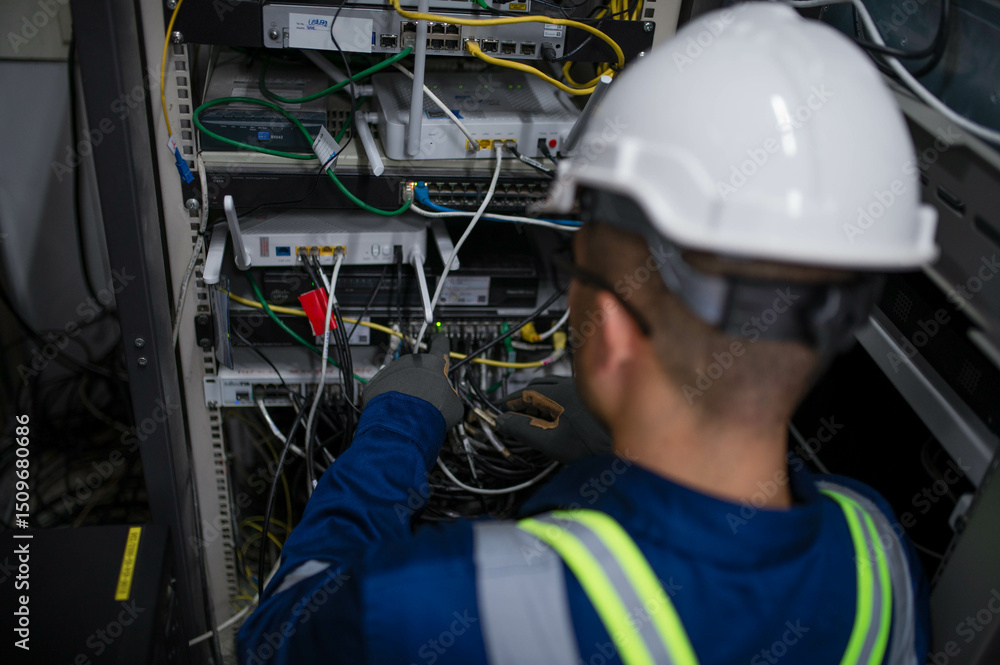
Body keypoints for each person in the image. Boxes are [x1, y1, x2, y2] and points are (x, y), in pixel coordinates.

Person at [237, 3, 939, 663]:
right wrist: (619, 448)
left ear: (619, 332)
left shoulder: (460, 600)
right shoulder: (881, 554)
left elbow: (276, 634)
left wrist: (398, 425)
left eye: (579, 265)